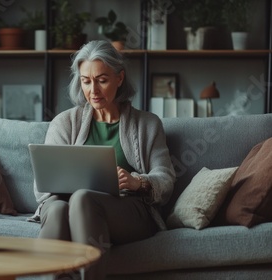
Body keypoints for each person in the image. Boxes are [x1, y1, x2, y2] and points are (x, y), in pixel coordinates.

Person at [32, 40, 176, 279]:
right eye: (86, 81)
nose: (93, 91)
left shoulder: (148, 124)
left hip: (127, 212)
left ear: (119, 78)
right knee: (57, 209)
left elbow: (166, 178)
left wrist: (137, 182)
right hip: (68, 206)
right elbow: (42, 185)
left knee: (83, 197)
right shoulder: (64, 123)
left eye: (102, 80)